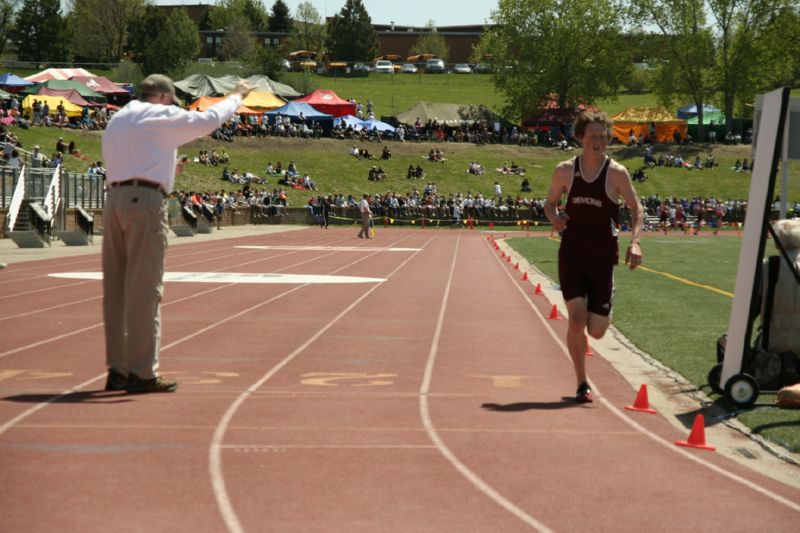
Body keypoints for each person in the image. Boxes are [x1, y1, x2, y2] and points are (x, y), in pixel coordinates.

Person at [101, 74, 252, 394]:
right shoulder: (158, 114)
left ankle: (118, 369)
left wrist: (167, 168)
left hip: (114, 200)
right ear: (165, 98)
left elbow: (134, 161)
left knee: (116, 291)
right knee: (144, 290)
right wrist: (237, 96)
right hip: (144, 203)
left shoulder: (119, 118)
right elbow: (209, 119)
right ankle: (142, 373)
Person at [544, 110, 643, 403]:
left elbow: (637, 209)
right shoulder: (564, 171)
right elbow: (549, 203)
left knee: (597, 331)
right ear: (580, 138)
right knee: (575, 320)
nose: (598, 141)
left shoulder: (617, 173)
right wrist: (554, 218)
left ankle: (607, 296)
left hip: (602, 257)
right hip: (572, 253)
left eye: (603, 136)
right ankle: (581, 383)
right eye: (593, 136)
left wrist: (635, 242)